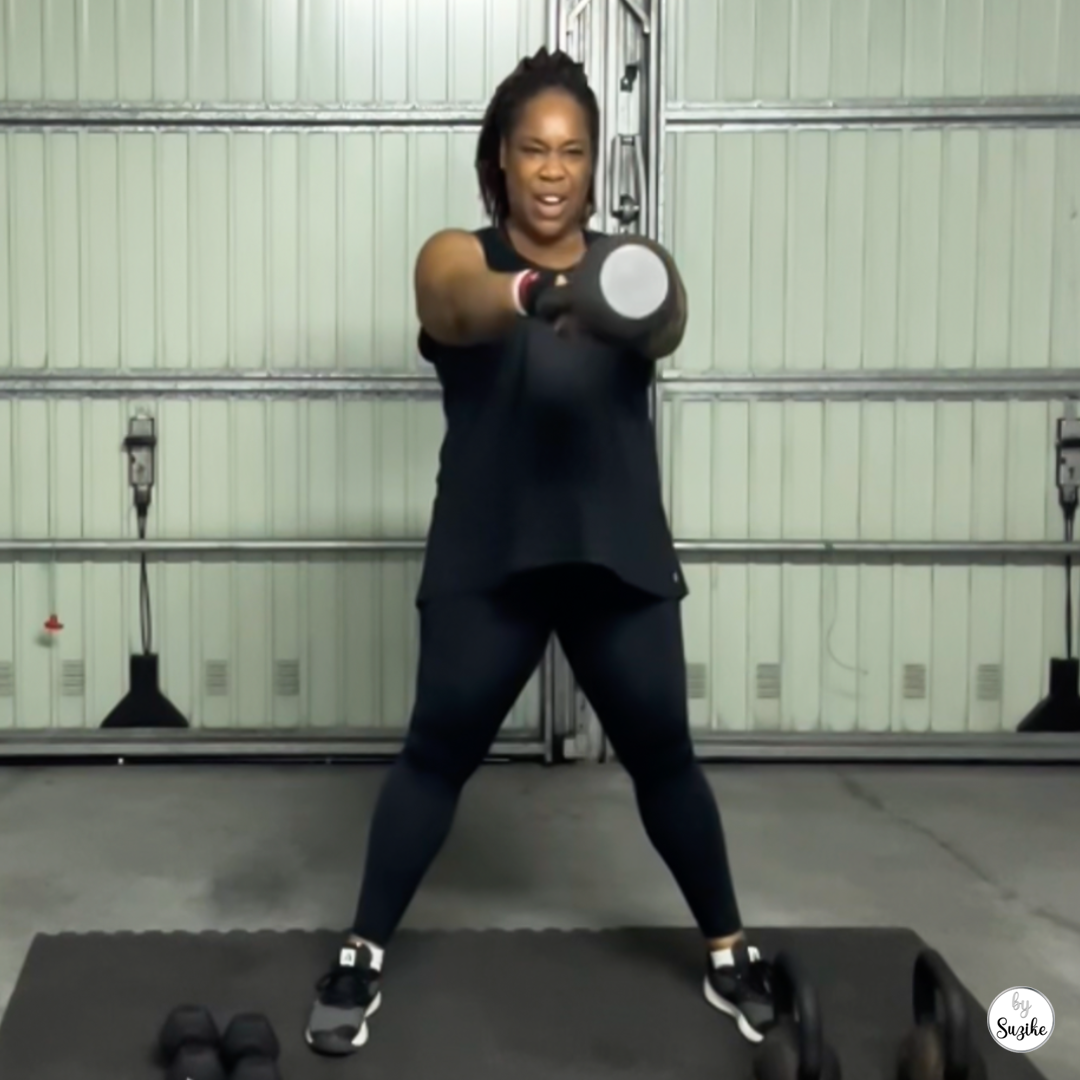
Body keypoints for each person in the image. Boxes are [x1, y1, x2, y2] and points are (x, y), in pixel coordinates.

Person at [305, 46, 776, 1057]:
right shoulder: (458, 255)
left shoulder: (628, 265)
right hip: (491, 556)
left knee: (666, 759)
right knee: (435, 756)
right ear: (501, 161)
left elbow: (669, 320)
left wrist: (621, 297)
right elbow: (449, 304)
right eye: (533, 150)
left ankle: (730, 951)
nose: (553, 171)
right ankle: (361, 953)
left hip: (615, 557)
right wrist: (534, 294)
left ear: (593, 164)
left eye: (572, 151)